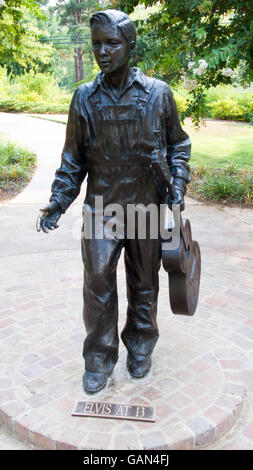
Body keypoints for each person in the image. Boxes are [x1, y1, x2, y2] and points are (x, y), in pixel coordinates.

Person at [37, 9, 191, 394]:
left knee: (144, 282)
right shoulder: (84, 98)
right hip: (101, 210)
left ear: (131, 46)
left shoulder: (158, 94)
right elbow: (73, 160)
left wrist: (178, 185)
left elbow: (180, 145)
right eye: (96, 45)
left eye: (111, 43)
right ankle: (99, 358)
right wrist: (58, 202)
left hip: (146, 207)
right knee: (98, 282)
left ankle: (140, 345)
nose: (102, 52)